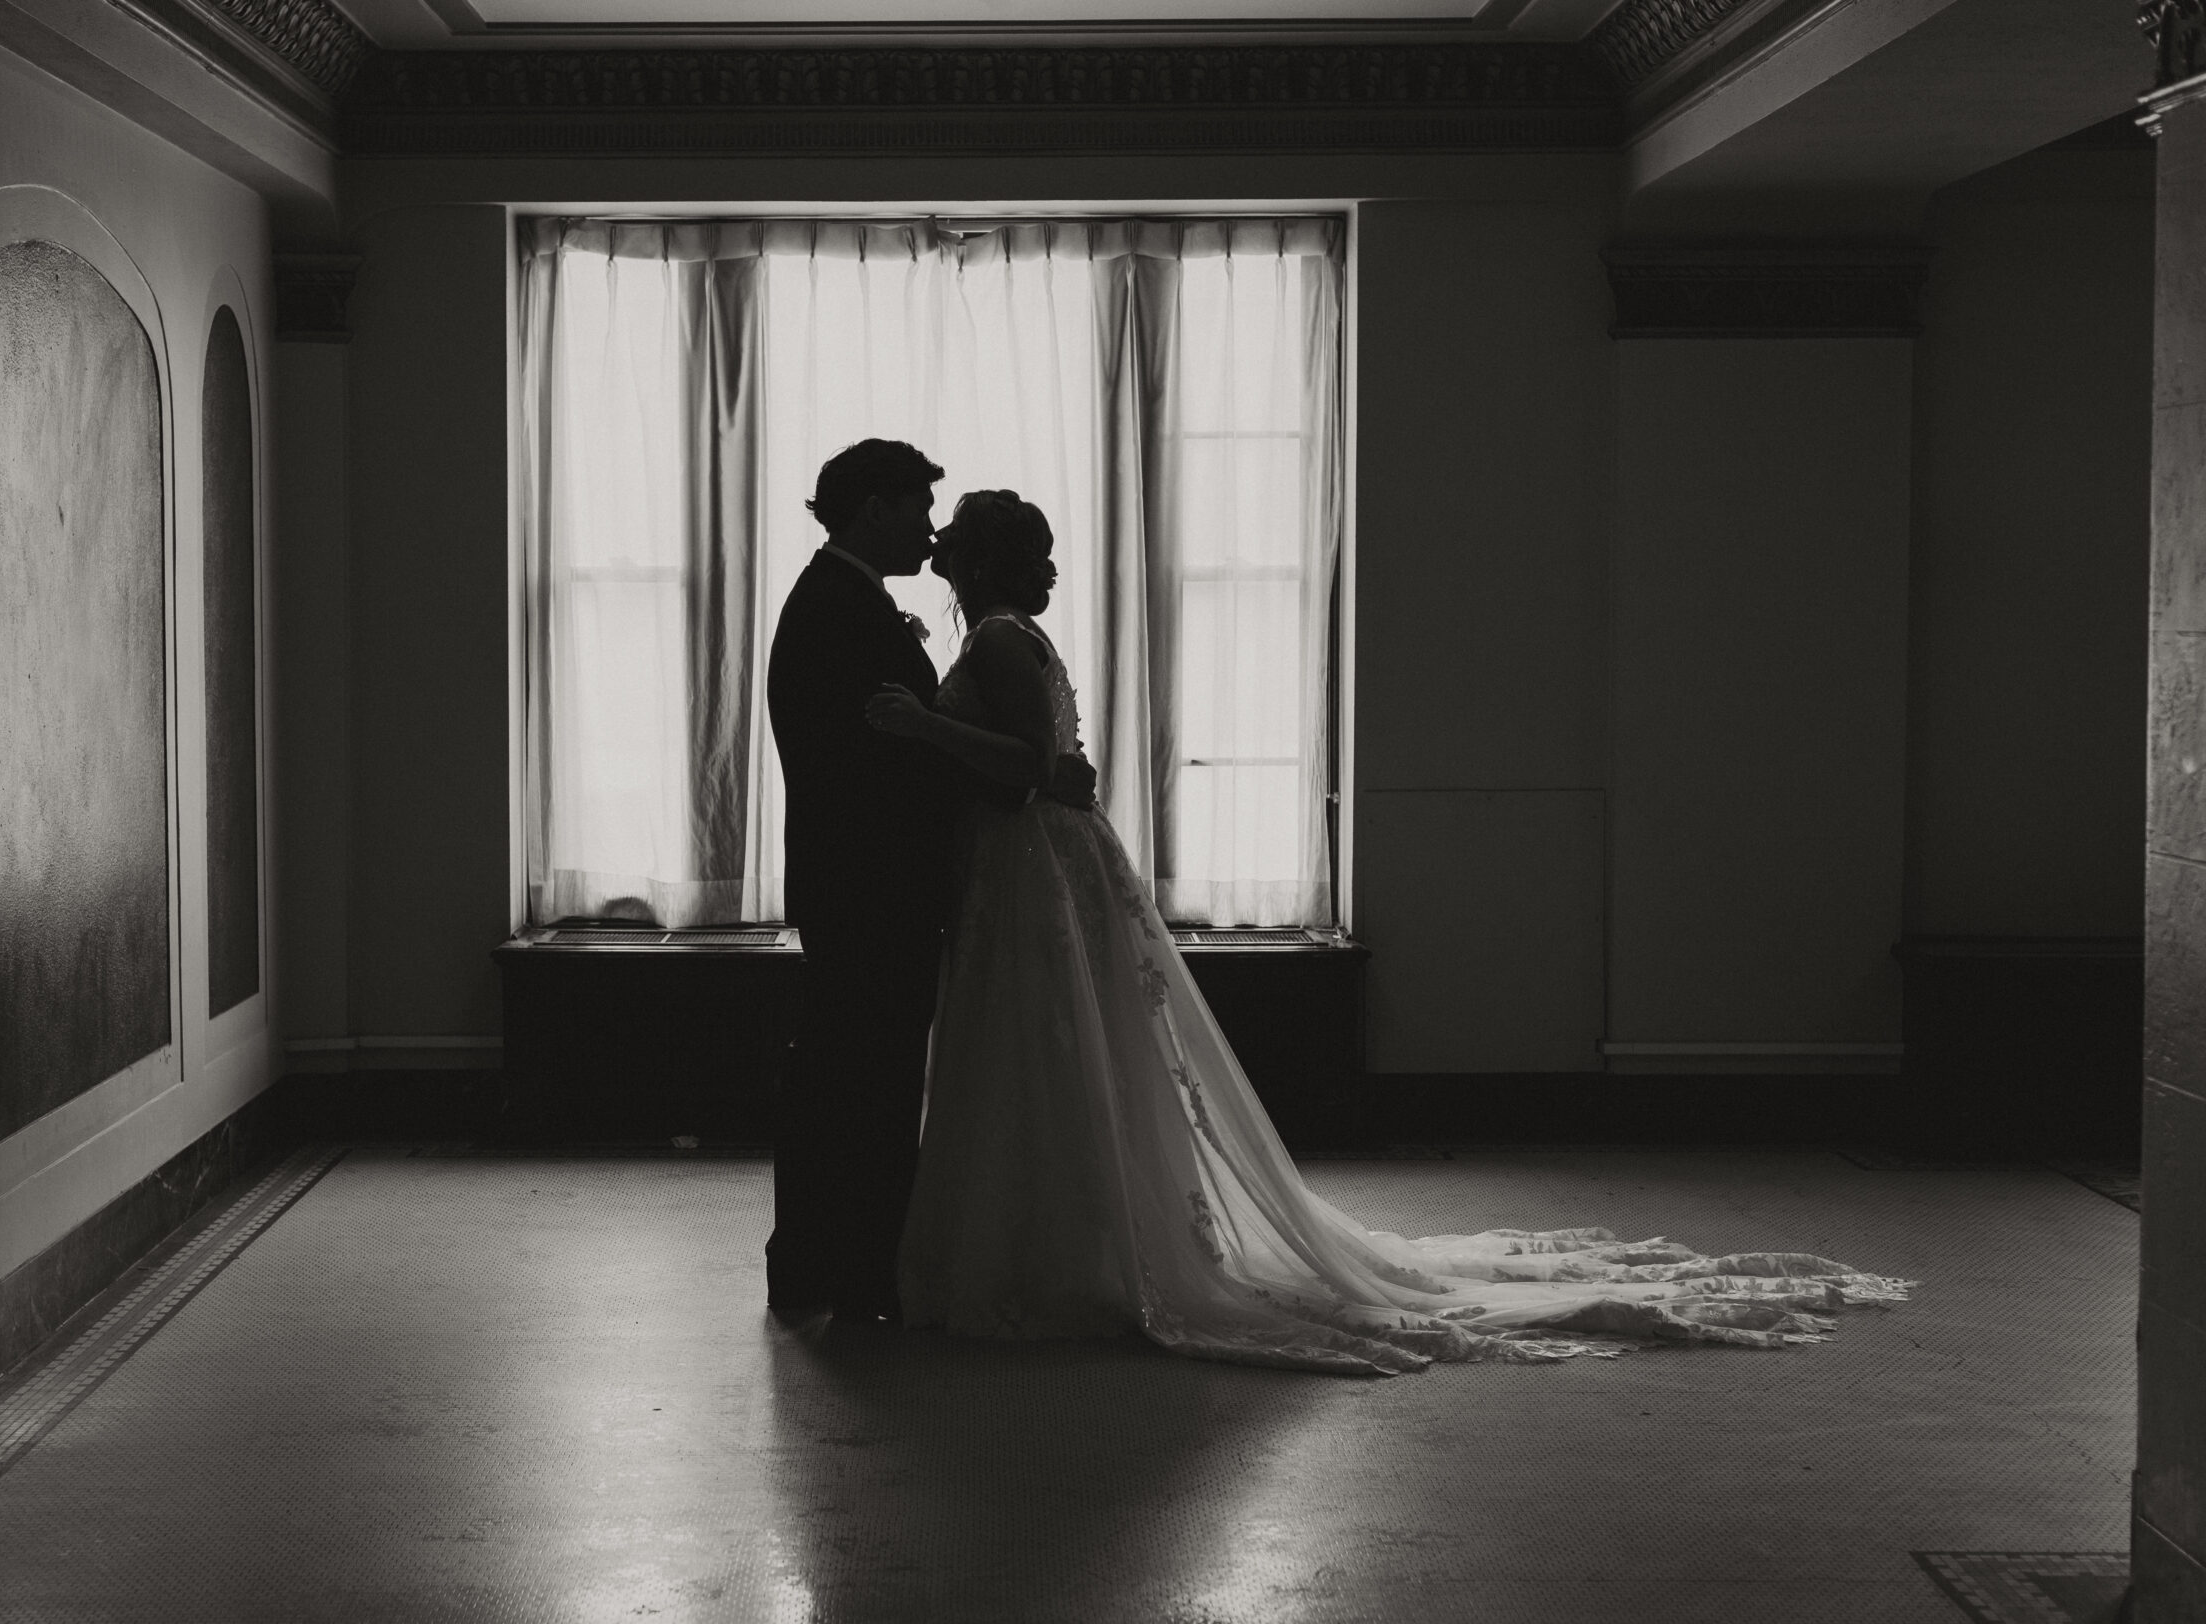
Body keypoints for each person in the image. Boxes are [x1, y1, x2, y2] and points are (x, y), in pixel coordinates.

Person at [866, 489, 1913, 1373]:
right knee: (1054, 1054)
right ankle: (1074, 1240)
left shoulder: (999, 640)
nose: (934, 548)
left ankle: (1056, 1252)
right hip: (1044, 864)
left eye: (946, 536)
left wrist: (917, 727)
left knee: (1040, 1050)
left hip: (1031, 863)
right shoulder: (1014, 638)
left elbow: (1029, 769)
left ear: (970, 561)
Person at [763, 443, 1091, 1322]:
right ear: (874, 509)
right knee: (858, 1082)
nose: (929, 530)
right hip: (870, 889)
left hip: (875, 887)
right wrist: (1022, 774)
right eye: (917, 509)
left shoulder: (851, 601)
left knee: (857, 1079)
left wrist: (1018, 768)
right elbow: (869, 766)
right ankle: (846, 1270)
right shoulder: (839, 607)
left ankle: (837, 1262)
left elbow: (909, 750)